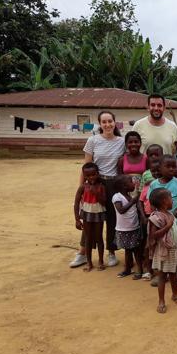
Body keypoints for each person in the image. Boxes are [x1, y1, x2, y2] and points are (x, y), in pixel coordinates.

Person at [70, 111, 125, 269]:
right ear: (100, 124)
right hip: (95, 184)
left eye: (110, 121)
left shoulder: (121, 142)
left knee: (112, 219)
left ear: (115, 122)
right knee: (90, 219)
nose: (107, 125)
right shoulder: (93, 140)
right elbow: (86, 167)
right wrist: (83, 188)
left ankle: (111, 252)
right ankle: (82, 253)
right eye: (104, 122)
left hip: (114, 185)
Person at [147, 188, 177, 313]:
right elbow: (153, 235)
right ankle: (161, 301)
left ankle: (175, 294)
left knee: (174, 273)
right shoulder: (156, 217)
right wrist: (168, 226)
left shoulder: (170, 214)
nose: (172, 201)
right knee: (162, 276)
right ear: (164, 201)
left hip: (172, 249)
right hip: (163, 251)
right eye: (170, 198)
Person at [73, 162, 106, 272]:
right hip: (87, 215)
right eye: (88, 175)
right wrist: (77, 219)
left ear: (98, 174)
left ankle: (101, 261)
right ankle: (89, 262)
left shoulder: (101, 186)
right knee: (88, 238)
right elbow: (76, 202)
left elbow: (104, 202)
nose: (91, 177)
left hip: (98, 214)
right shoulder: (83, 187)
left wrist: (96, 193)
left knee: (99, 237)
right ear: (84, 176)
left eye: (94, 174)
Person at [112, 175, 145, 278]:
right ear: (124, 186)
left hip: (134, 227)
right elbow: (121, 210)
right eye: (131, 182)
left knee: (136, 250)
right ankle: (127, 269)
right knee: (128, 250)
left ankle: (139, 270)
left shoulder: (130, 195)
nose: (134, 183)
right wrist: (133, 201)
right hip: (123, 228)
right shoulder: (117, 196)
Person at [138, 156, 162, 280]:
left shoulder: (164, 186)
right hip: (148, 218)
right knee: (148, 244)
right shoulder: (147, 187)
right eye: (154, 171)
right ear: (150, 172)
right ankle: (148, 269)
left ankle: (161, 269)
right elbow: (140, 201)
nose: (156, 173)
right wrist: (143, 216)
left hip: (161, 219)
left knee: (160, 244)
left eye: (159, 170)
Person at [117, 131, 147, 198]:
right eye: (130, 142)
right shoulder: (122, 159)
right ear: (126, 144)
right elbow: (119, 178)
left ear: (140, 143)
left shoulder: (146, 158)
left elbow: (148, 176)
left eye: (136, 142)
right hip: (127, 193)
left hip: (142, 192)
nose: (133, 144)